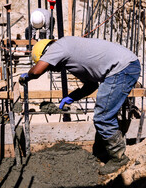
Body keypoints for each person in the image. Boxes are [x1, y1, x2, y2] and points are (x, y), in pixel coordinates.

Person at [19, 36, 141, 175]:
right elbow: (91, 85)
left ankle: (118, 158)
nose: (51, 70)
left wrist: (28, 76)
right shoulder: (71, 58)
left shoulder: (58, 46)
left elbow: (36, 71)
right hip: (123, 67)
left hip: (122, 69)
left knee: (103, 117)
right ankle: (107, 151)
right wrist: (72, 97)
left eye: (49, 67)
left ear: (47, 54)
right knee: (103, 114)